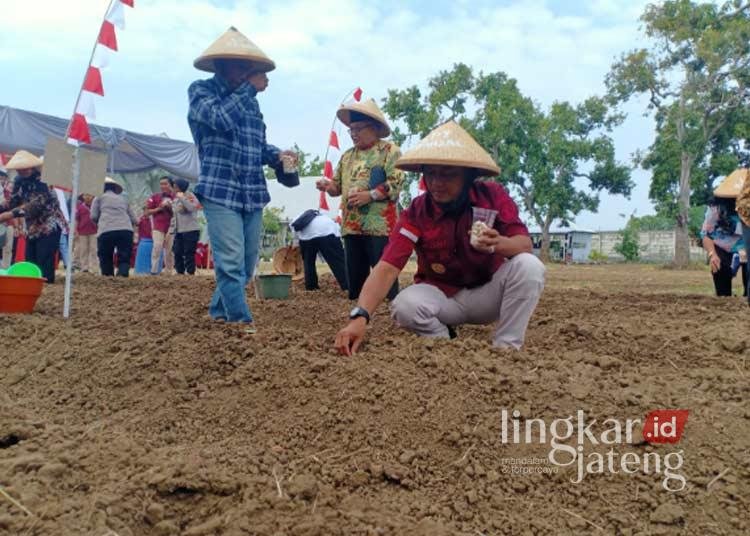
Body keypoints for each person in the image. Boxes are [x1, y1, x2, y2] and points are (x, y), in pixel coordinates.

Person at [334, 121, 546, 356]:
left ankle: (506, 348)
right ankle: (443, 343)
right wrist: (360, 315)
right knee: (404, 306)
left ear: (469, 177)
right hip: (442, 297)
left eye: (448, 175)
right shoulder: (417, 211)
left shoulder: (492, 196)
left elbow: (524, 245)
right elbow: (387, 267)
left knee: (529, 266)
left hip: (487, 294)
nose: (436, 183)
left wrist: (499, 244)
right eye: (431, 174)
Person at [188, 26, 299, 326]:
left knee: (246, 264)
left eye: (249, 67)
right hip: (220, 190)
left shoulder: (251, 104)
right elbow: (220, 119)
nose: (247, 72)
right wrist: (249, 89)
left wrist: (278, 155)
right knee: (231, 261)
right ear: (222, 65)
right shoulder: (201, 92)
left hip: (251, 190)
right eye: (241, 65)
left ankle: (219, 314)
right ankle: (241, 322)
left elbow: (258, 146)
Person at [316, 98, 403, 301]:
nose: (354, 134)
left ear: (373, 128)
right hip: (351, 226)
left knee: (383, 274)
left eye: (358, 129)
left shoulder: (390, 151)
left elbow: (396, 182)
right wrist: (329, 186)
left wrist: (370, 195)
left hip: (380, 226)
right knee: (355, 279)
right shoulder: (347, 156)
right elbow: (337, 187)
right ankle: (358, 313)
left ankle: (391, 315)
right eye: (351, 129)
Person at [0, 151, 67, 283]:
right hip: (33, 225)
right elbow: (13, 201)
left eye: (24, 168)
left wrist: (9, 214)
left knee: (44, 257)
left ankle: (46, 284)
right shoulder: (19, 180)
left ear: (32, 167)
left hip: (49, 223)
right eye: (19, 169)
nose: (22, 171)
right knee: (30, 258)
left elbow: (37, 204)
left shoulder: (43, 179)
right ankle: (32, 284)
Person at [702, 171, 748, 297]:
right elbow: (706, 234)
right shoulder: (715, 209)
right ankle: (724, 300)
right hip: (723, 246)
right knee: (719, 267)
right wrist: (713, 255)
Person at [290, 209, 348, 292]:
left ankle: (311, 286)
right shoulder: (328, 220)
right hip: (327, 233)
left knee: (308, 262)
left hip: (308, 237)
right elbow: (338, 240)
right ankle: (347, 285)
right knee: (337, 261)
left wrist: (295, 243)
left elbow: (294, 228)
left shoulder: (298, 218)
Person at [91, 177, 137, 277]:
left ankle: (108, 278)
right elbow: (134, 219)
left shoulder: (98, 198)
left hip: (106, 230)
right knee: (124, 256)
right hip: (126, 230)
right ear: (115, 189)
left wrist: (101, 222)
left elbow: (93, 216)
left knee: (105, 256)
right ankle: (122, 275)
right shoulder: (123, 199)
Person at [171, 178, 201, 275]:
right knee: (177, 252)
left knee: (189, 253)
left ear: (181, 187)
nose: (174, 189)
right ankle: (180, 273)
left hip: (191, 229)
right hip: (179, 231)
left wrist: (182, 198)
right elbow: (175, 215)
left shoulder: (190, 195)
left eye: (176, 187)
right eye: (174, 187)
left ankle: (190, 273)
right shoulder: (176, 199)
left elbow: (191, 207)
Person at [146, 176, 174, 275]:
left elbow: (179, 213)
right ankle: (154, 271)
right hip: (158, 227)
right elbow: (147, 212)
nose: (163, 186)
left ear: (171, 185)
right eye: (161, 184)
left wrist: (170, 207)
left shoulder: (176, 197)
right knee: (157, 247)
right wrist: (159, 208)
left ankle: (168, 272)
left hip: (172, 227)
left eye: (165, 184)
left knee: (169, 250)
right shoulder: (155, 197)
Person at [75, 193, 98, 272]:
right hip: (82, 231)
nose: (87, 197)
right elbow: (76, 219)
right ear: (83, 196)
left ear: (93, 196)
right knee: (83, 250)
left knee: (93, 249)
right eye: (85, 195)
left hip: (94, 231)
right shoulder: (80, 207)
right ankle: (84, 267)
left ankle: (94, 268)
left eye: (89, 195)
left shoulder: (95, 206)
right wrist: (76, 230)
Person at [0, 168, 13, 268]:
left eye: (2, 177)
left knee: (6, 248)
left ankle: (5, 269)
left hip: (6, 223)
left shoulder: (7, 192)